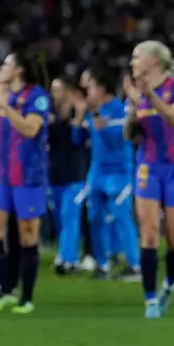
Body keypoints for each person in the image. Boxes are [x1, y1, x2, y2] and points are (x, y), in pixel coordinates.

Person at [124, 40, 174, 319]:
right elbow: (129, 135)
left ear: (153, 61)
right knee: (149, 231)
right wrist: (132, 108)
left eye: (136, 57)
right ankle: (150, 299)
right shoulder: (136, 92)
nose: (132, 62)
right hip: (148, 166)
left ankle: (169, 285)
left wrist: (150, 96)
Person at [0, 52, 51, 314]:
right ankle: (2, 290)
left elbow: (30, 129)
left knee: (27, 235)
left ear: (19, 70)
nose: (1, 68)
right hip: (3, 173)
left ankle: (26, 298)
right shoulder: (4, 96)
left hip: (29, 175)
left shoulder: (37, 97)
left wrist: (6, 107)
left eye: (6, 64)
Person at [73, 67, 139, 281]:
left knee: (121, 217)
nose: (87, 91)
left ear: (101, 88)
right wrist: (80, 118)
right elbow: (78, 140)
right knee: (94, 218)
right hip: (97, 172)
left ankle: (134, 265)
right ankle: (102, 264)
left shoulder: (120, 110)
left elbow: (115, 140)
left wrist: (95, 115)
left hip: (119, 172)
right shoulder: (94, 111)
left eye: (91, 86)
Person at [49, 76, 89, 275]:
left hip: (75, 175)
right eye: (52, 90)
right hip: (55, 175)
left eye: (57, 89)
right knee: (60, 219)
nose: (54, 94)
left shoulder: (79, 116)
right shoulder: (50, 115)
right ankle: (64, 254)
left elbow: (78, 141)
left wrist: (78, 119)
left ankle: (69, 260)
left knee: (69, 217)